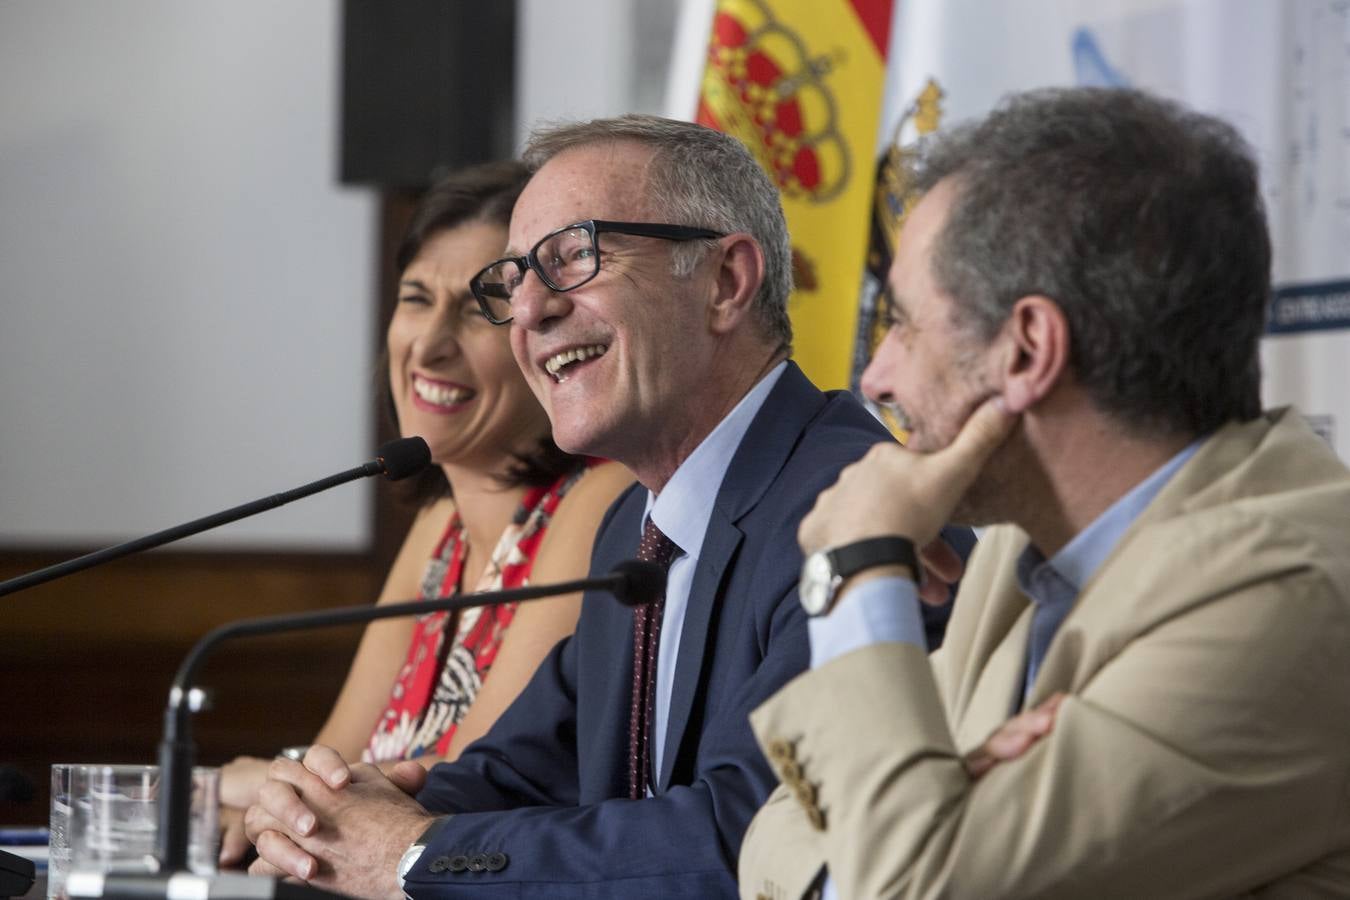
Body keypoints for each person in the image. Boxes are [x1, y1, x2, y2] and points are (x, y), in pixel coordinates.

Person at [241, 114, 914, 898]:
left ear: (726, 282)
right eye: (516, 279)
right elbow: (518, 773)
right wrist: (332, 815)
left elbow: (762, 837)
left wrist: (414, 854)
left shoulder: (852, 507)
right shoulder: (638, 527)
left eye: (572, 259)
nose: (527, 313)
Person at [739, 86, 1350, 899]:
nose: (874, 375)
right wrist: (920, 825)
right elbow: (770, 835)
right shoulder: (1020, 553)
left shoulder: (1295, 597)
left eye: (907, 324)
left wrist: (857, 567)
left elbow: (915, 882)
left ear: (1027, 351)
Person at [217, 161, 633, 865]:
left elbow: (462, 788)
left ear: (545, 330)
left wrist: (243, 782)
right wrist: (270, 800)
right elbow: (331, 766)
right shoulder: (439, 525)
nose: (429, 344)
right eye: (415, 298)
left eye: (477, 309)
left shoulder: (603, 497)